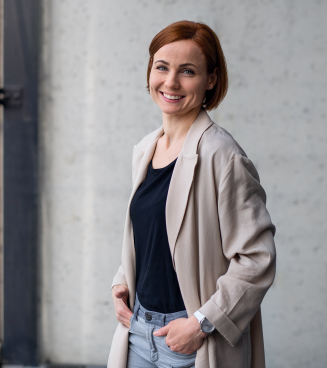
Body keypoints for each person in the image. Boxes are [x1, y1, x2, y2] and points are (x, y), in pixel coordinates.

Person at [108, 21, 277, 368]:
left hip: (189, 342)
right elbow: (155, 237)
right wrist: (121, 283)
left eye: (187, 71)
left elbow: (257, 258)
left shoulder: (223, 155)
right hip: (138, 333)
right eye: (162, 67)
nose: (171, 82)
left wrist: (201, 323)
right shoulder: (146, 149)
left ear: (210, 80)